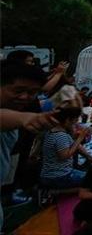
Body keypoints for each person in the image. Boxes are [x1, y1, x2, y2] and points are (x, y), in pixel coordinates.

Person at [0, 62, 58, 229]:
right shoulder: (19, 117)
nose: (25, 97)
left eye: (32, 93)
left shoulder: (13, 113)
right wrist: (25, 118)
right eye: (18, 91)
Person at [40, 106, 92, 189]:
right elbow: (64, 156)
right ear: (67, 120)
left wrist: (90, 158)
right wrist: (80, 138)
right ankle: (52, 192)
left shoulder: (54, 130)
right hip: (59, 177)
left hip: (52, 174)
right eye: (75, 121)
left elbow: (76, 146)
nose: (76, 124)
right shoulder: (60, 136)